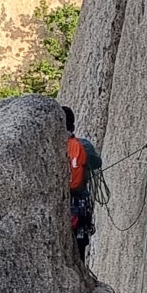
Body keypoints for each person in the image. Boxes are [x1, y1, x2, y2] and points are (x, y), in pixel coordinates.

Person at [64, 107, 102, 263]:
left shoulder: (50, 145)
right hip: (80, 205)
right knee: (80, 244)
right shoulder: (83, 145)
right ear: (72, 127)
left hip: (61, 203)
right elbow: (97, 163)